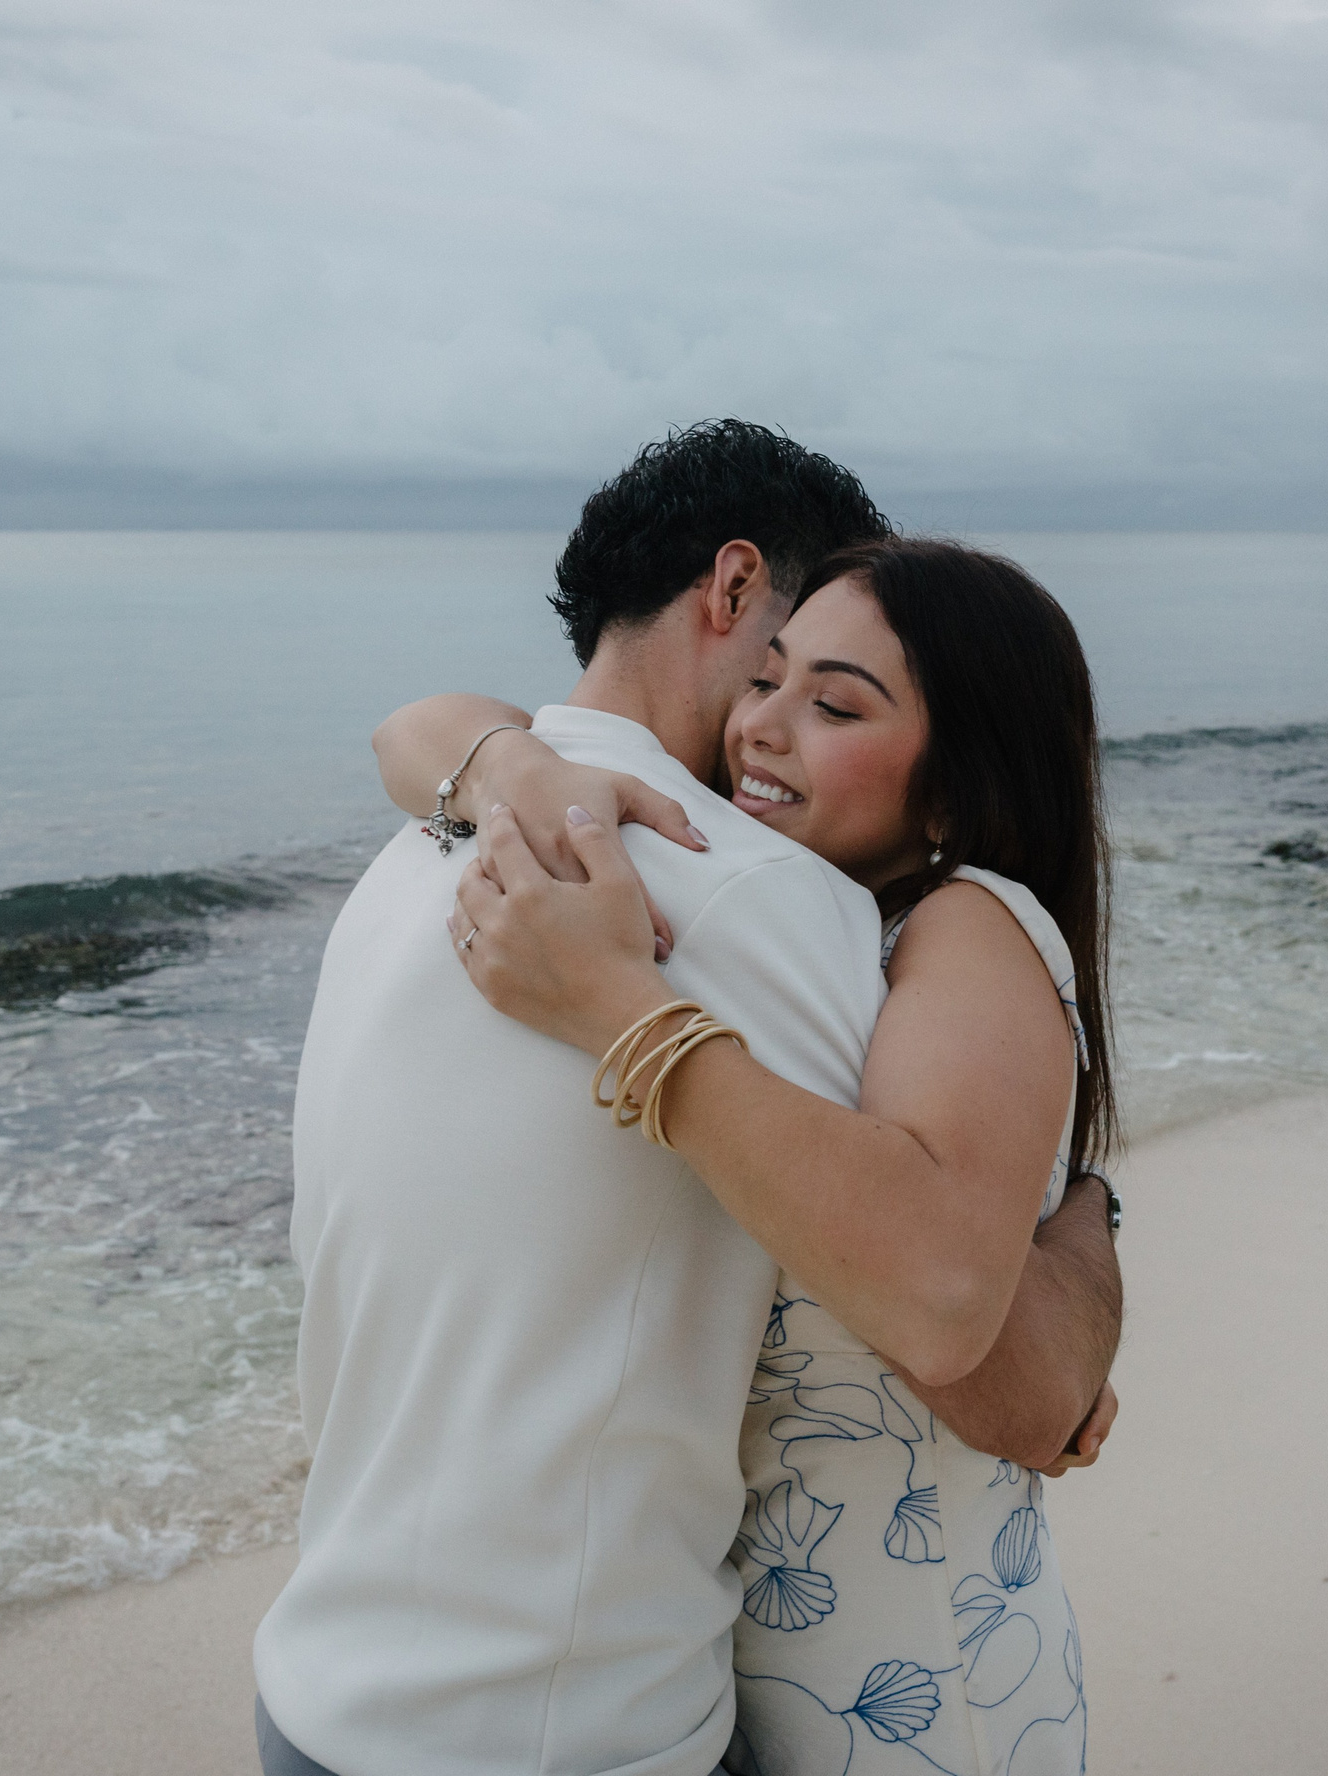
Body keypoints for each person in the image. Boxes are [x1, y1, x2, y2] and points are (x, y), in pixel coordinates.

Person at [255, 421, 1119, 1776]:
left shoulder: (411, 851)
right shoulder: (762, 900)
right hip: (568, 1728)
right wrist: (1082, 1237)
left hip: (321, 1689)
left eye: (835, 702)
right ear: (733, 590)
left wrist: (489, 756)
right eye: (777, 673)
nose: (766, 729)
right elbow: (996, 1345)